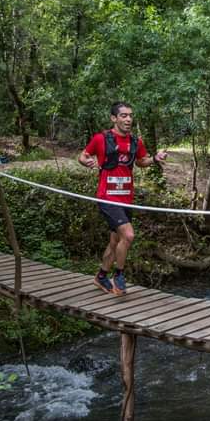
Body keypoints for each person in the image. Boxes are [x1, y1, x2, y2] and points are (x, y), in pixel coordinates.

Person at [78, 102, 167, 295]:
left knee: (114, 242)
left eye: (130, 116)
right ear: (114, 118)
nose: (128, 119)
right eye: (124, 116)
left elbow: (142, 162)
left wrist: (155, 159)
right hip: (107, 198)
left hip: (126, 199)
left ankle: (101, 276)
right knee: (129, 235)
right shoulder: (101, 139)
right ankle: (118, 274)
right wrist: (88, 162)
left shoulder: (135, 141)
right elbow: (83, 156)